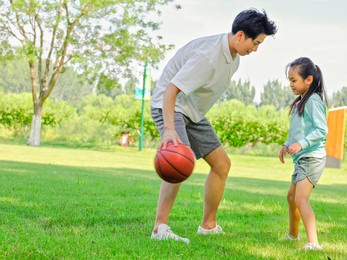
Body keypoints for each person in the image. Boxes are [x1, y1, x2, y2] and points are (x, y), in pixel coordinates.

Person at [150, 8, 278, 243]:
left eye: (260, 44)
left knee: (222, 164)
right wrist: (169, 129)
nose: (256, 49)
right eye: (255, 43)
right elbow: (171, 90)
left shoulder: (234, 59)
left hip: (192, 113)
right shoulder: (208, 56)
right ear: (240, 35)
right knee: (178, 159)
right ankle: (160, 228)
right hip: (170, 106)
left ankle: (208, 226)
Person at [279, 57, 328, 251]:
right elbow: (297, 130)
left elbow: (321, 130)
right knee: (291, 198)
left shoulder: (313, 101)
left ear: (308, 80)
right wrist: (287, 144)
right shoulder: (301, 101)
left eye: (293, 80)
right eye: (289, 80)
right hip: (302, 158)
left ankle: (314, 244)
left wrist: (302, 144)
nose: (290, 84)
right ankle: (293, 235)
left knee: (300, 199)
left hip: (312, 157)